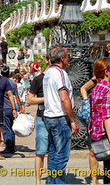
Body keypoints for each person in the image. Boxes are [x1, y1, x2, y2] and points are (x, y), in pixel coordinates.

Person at [42, 46, 79, 184]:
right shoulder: (60, 73)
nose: (69, 59)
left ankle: (52, 181)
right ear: (62, 58)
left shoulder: (48, 73)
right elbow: (64, 98)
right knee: (61, 155)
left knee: (53, 153)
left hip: (49, 117)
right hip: (59, 118)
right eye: (68, 56)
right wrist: (73, 120)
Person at [28, 58, 49, 185]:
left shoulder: (61, 77)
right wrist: (47, 98)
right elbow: (30, 100)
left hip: (58, 117)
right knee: (41, 150)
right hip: (42, 117)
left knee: (55, 152)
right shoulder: (38, 79)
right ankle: (38, 181)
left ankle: (54, 178)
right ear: (47, 61)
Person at [80, 77, 100, 185]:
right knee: (92, 150)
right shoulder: (95, 79)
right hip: (94, 119)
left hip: (106, 117)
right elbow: (83, 88)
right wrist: (86, 102)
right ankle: (94, 178)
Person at [1, 66, 24, 154]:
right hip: (11, 107)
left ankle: (9, 146)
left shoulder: (0, 83)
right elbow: (17, 97)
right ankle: (12, 145)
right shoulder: (13, 83)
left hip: (3, 107)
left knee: (6, 128)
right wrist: (20, 107)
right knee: (11, 127)